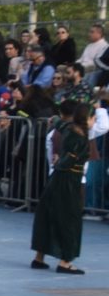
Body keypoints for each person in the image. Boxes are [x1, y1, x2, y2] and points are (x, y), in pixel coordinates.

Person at [30, 101, 90, 273]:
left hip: (57, 179)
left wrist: (54, 119)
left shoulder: (67, 128)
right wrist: (62, 163)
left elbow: (59, 122)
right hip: (69, 180)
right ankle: (65, 261)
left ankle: (39, 257)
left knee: (48, 215)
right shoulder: (78, 136)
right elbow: (69, 159)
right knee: (69, 219)